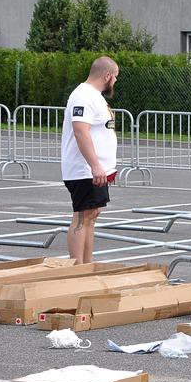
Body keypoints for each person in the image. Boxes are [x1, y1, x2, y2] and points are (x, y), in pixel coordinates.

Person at [61, 56, 119, 264]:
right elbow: (80, 132)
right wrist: (95, 165)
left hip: (95, 169)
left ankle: (87, 264)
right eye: (115, 77)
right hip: (84, 169)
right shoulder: (83, 96)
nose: (115, 82)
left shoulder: (94, 96)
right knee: (82, 216)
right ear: (107, 75)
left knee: (92, 214)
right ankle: (77, 267)